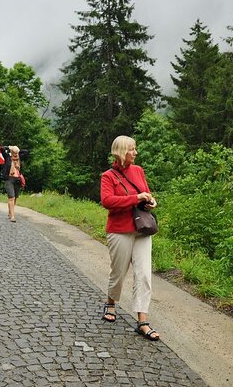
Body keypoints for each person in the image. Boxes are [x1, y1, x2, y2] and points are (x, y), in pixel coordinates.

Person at [100, 135, 160, 341]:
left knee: (143, 274)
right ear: (121, 152)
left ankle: (142, 320)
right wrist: (136, 198)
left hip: (141, 229)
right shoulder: (108, 176)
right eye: (132, 149)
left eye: (135, 149)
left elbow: (147, 195)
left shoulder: (139, 171)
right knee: (118, 272)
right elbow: (107, 201)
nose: (135, 153)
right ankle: (110, 302)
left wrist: (151, 202)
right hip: (119, 230)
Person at [0, 145, 26, 223]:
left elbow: (26, 152)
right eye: (14, 152)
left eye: (16, 152)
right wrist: (9, 147)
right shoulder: (7, 157)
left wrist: (17, 149)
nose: (15, 154)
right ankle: (12, 216)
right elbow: (1, 149)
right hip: (9, 179)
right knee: (11, 197)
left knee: (15, 198)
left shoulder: (19, 157)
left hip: (17, 179)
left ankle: (10, 212)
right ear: (11, 152)